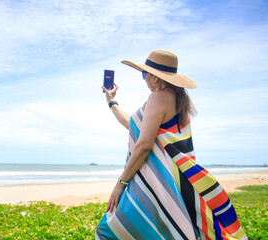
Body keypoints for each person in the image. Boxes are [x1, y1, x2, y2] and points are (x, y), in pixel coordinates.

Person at [95, 50, 247, 240]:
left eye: (144, 74)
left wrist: (120, 183)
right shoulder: (176, 98)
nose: (144, 80)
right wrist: (112, 102)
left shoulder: (158, 97)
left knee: (107, 231)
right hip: (166, 182)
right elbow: (131, 124)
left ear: (157, 78)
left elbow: (143, 144)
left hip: (155, 180)